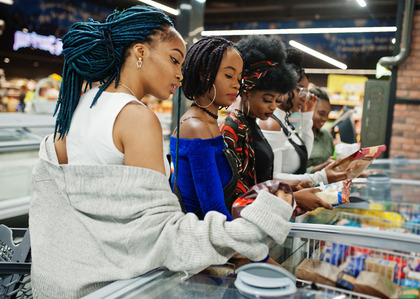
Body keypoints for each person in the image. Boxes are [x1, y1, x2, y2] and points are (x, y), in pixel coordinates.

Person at [29, 7, 294, 298]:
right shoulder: (136, 118)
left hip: (61, 285)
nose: (180, 74)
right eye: (174, 59)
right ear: (140, 52)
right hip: (120, 288)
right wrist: (260, 223)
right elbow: (165, 238)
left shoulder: (74, 108)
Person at [221, 36, 338, 212]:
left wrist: (297, 186)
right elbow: (238, 193)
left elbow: (263, 181)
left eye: (276, 99)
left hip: (261, 215)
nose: (273, 106)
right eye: (268, 99)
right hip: (247, 219)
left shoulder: (252, 124)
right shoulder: (234, 128)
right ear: (246, 92)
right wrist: (293, 197)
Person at [170, 36, 241, 221]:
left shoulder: (208, 123)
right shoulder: (196, 128)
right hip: (198, 241)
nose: (236, 84)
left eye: (239, 78)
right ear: (204, 73)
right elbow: (214, 211)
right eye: (228, 75)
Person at [259, 47, 347, 186]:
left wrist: (307, 116)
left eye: (305, 91)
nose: (304, 97)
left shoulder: (283, 122)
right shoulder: (271, 123)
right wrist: (319, 177)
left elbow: (304, 155)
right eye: (299, 89)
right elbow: (273, 178)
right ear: (284, 85)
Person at [306, 86, 335, 173]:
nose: (325, 119)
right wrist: (323, 166)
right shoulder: (295, 137)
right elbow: (292, 175)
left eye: (327, 115)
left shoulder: (327, 136)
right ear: (308, 108)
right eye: (321, 114)